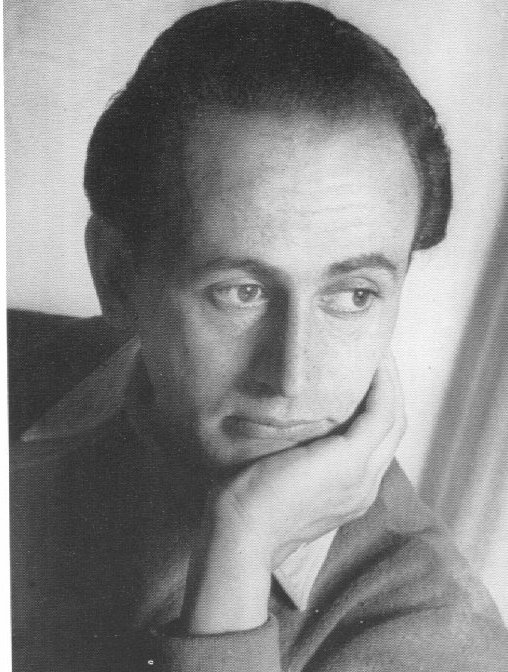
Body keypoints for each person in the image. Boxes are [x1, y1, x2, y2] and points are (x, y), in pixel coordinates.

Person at [9, 1, 508, 670]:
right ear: (118, 279)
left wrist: (239, 547)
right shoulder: (21, 364)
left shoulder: (436, 637)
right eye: (240, 292)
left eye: (354, 295)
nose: (290, 377)